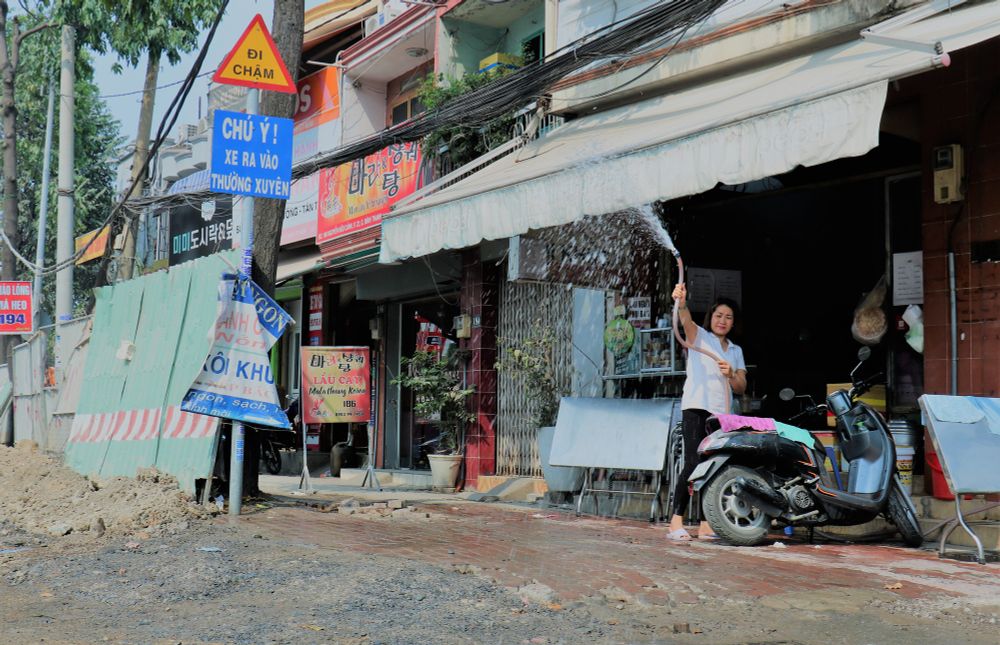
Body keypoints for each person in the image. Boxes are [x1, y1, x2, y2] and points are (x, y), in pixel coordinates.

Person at [667, 283, 747, 541]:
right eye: (718, 316)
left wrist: (731, 373)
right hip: (696, 407)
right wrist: (682, 302)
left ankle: (705, 524)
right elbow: (685, 319)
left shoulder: (736, 351)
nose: (722, 321)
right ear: (710, 317)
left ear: (733, 323)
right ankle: (675, 522)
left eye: (728, 317)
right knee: (693, 463)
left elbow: (741, 387)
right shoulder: (699, 336)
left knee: (713, 467)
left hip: (721, 414)